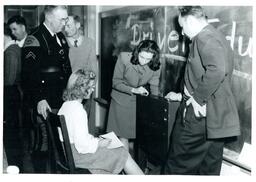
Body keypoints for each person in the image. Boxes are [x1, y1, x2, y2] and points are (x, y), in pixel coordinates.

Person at [164, 6, 240, 175]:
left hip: (197, 115)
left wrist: (198, 98)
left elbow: (218, 70)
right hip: (216, 115)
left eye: (182, 26)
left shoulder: (204, 37)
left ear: (190, 20)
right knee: (209, 168)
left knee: (177, 167)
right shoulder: (217, 35)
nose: (182, 32)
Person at [58, 69, 144, 174]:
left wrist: (96, 140)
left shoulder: (65, 106)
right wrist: (100, 143)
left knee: (117, 149)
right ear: (81, 88)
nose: (93, 89)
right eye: (91, 87)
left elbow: (77, 137)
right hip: (80, 157)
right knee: (122, 153)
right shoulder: (79, 111)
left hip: (69, 154)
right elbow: (82, 146)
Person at [22, 5, 71, 172]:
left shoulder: (61, 37)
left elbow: (66, 68)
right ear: (49, 18)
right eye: (62, 19)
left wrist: (70, 91)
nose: (65, 23)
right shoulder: (34, 38)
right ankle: (40, 173)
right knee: (42, 142)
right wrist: (39, 98)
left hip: (59, 98)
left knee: (58, 141)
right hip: (43, 100)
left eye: (66, 18)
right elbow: (30, 74)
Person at [106, 40, 161, 151]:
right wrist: (134, 90)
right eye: (142, 57)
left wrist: (156, 106)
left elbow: (154, 87)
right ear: (137, 52)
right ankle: (125, 166)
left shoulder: (156, 65)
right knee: (123, 137)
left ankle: (128, 164)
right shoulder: (124, 58)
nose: (144, 61)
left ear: (153, 57)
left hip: (139, 104)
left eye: (148, 59)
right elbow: (116, 82)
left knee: (137, 137)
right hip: (120, 101)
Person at [64, 14, 98, 134]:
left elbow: (93, 68)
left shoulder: (89, 42)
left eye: (68, 25)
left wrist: (89, 88)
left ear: (77, 25)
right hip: (67, 88)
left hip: (84, 88)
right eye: (64, 26)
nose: (65, 29)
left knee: (84, 122)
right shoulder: (62, 42)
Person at [3, 23, 23, 171]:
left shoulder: (10, 51)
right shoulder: (14, 48)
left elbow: (9, 80)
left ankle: (12, 164)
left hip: (9, 94)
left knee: (9, 131)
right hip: (14, 93)